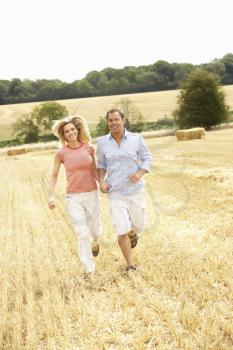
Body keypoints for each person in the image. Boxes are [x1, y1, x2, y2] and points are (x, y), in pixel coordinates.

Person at [96, 108, 152, 272]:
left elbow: (147, 158)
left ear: (123, 120)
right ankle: (130, 264)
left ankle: (134, 233)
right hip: (115, 192)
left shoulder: (136, 139)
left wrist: (140, 172)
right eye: (110, 120)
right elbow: (100, 165)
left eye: (116, 119)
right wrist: (101, 182)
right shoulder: (102, 143)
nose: (113, 123)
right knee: (121, 230)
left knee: (139, 224)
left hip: (135, 190)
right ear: (107, 122)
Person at [48, 115, 101, 276]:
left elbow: (94, 169)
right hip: (73, 197)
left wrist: (102, 183)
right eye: (66, 131)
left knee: (94, 231)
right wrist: (51, 195)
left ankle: (96, 242)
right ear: (63, 135)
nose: (70, 133)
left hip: (92, 193)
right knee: (81, 232)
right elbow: (54, 175)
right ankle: (89, 268)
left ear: (77, 131)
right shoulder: (61, 153)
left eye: (72, 129)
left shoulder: (88, 148)